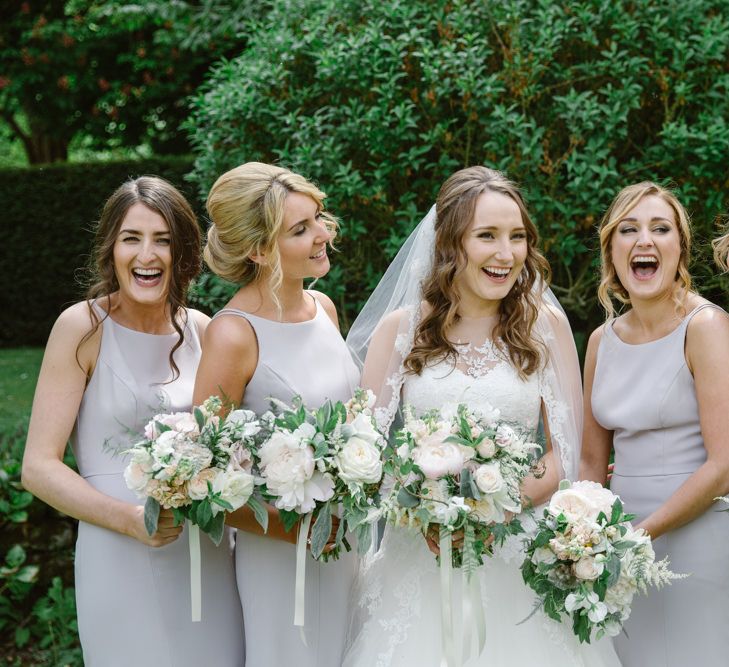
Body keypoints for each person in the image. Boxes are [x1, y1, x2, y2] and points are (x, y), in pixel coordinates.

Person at [343, 166, 620, 666]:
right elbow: (363, 452)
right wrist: (421, 507)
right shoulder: (401, 330)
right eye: (487, 236)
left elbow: (565, 451)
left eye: (517, 237)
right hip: (419, 555)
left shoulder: (545, 327)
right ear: (451, 243)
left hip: (516, 555)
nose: (506, 253)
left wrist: (499, 508)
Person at [21, 177, 244, 666]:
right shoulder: (82, 328)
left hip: (204, 556)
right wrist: (129, 520)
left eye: (163, 240)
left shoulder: (204, 331)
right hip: (117, 554)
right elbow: (38, 466)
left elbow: (227, 448)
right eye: (132, 238)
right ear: (112, 249)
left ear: (182, 252)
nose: (148, 255)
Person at [192, 162, 359, 667]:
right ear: (260, 250)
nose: (323, 235)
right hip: (282, 556)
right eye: (301, 229)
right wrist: (298, 527)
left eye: (320, 219)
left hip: (349, 541)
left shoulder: (324, 308)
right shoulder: (233, 333)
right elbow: (199, 477)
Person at [581, 182, 729, 666]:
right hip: (616, 549)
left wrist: (637, 538)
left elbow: (724, 463)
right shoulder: (601, 341)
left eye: (660, 229)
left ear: (679, 248)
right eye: (629, 229)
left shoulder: (705, 327)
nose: (644, 240)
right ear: (612, 250)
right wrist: (582, 538)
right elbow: (589, 460)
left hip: (696, 541)